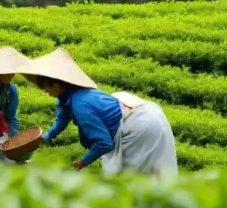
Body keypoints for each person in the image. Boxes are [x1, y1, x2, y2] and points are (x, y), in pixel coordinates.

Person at [23, 48, 178, 176]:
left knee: (138, 176)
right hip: (136, 114)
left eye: (45, 87)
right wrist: (46, 137)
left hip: (142, 126)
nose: (45, 92)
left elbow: (104, 143)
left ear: (56, 84)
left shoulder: (81, 104)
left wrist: (82, 162)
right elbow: (62, 121)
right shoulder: (67, 96)